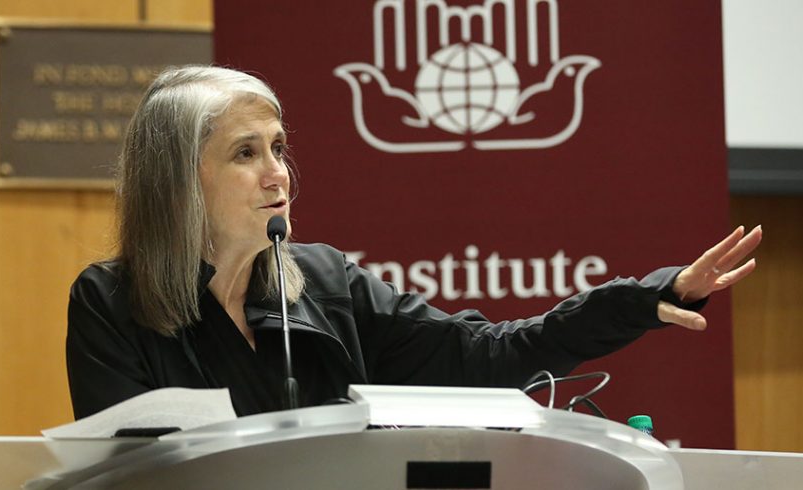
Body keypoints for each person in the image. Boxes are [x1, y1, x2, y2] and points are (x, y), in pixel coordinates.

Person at [66, 65, 762, 420]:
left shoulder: (327, 284)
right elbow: (123, 474)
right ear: (179, 179)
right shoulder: (111, 302)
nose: (278, 173)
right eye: (246, 152)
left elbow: (490, 355)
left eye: (278, 147)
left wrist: (643, 300)